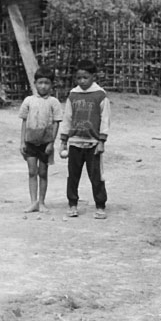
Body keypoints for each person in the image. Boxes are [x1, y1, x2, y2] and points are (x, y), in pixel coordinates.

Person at [59, 59, 110, 219]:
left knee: (96, 176)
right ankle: (72, 204)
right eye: (79, 78)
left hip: (93, 143)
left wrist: (101, 141)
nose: (82, 81)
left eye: (85, 77)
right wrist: (63, 140)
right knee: (73, 175)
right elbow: (67, 117)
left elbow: (105, 119)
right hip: (74, 142)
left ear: (93, 76)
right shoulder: (73, 95)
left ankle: (100, 205)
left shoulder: (100, 95)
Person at [18, 67, 63, 213]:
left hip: (45, 144)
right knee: (32, 172)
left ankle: (42, 202)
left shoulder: (54, 102)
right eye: (40, 82)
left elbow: (56, 123)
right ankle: (33, 202)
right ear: (35, 83)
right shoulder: (29, 101)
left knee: (43, 172)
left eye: (47, 83)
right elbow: (24, 122)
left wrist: (51, 143)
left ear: (52, 85)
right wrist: (22, 142)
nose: (43, 86)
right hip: (30, 142)